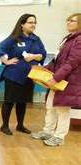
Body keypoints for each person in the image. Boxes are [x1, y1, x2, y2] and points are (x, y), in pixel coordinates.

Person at [32, 13, 81, 146]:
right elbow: (56, 60)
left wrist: (55, 77)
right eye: (68, 20)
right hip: (59, 79)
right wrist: (42, 72)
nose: (68, 22)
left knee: (63, 110)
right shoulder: (68, 39)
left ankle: (59, 137)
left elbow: (72, 63)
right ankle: (47, 131)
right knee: (50, 107)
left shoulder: (79, 40)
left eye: (72, 21)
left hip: (68, 82)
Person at [0, 14, 47, 135]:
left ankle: (20, 125)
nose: (33, 25)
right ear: (22, 24)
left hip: (30, 75)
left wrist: (33, 56)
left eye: (34, 22)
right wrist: (6, 61)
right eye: (30, 22)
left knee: (22, 102)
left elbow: (43, 54)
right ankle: (5, 126)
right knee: (9, 101)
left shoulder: (36, 39)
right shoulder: (14, 38)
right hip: (13, 75)